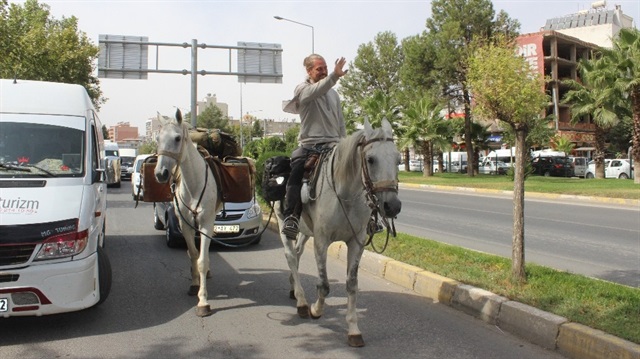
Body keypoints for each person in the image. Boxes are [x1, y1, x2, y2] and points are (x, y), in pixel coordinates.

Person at [281, 54, 349, 240]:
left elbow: (340, 122)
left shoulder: (334, 94)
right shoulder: (303, 89)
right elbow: (317, 90)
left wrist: (344, 144)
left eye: (325, 68)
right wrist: (334, 76)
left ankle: (369, 218)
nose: (324, 71)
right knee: (296, 171)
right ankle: (292, 217)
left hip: (334, 145)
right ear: (309, 71)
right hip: (310, 146)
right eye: (319, 69)